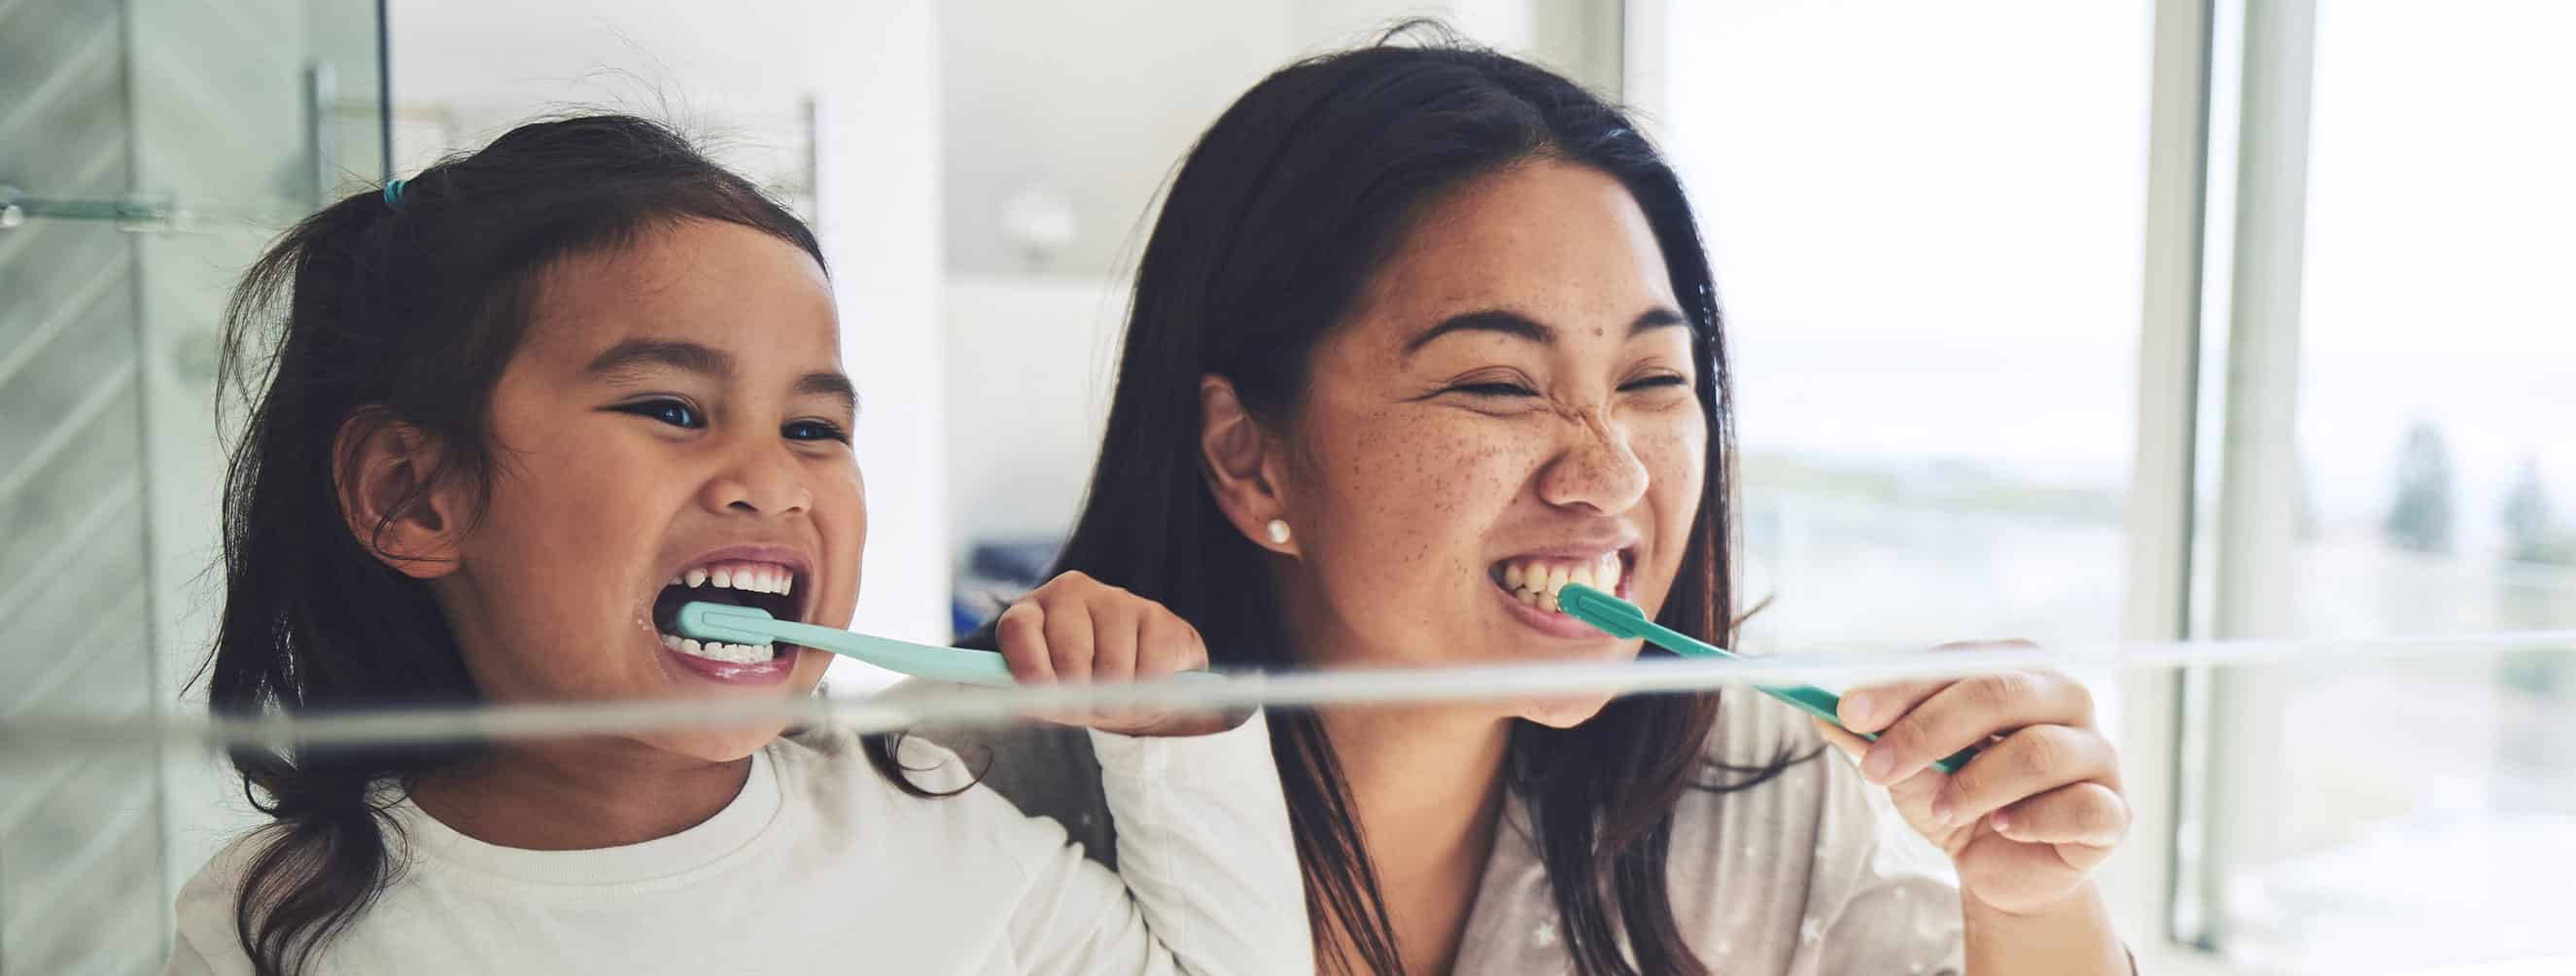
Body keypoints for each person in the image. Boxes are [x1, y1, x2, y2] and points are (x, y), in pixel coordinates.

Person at [945, 37, 2134, 976]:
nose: (1610, 473)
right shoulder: (955, 792)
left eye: (1655, 381)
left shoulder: (1750, 781)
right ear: (1249, 453)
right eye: (1498, 384)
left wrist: (2030, 896)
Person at [165, 115, 1307, 976]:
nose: (773, 479)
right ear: (414, 495)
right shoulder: (271, 925)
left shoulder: (935, 836)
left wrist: (1181, 733)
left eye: (814, 427)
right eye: (670, 408)